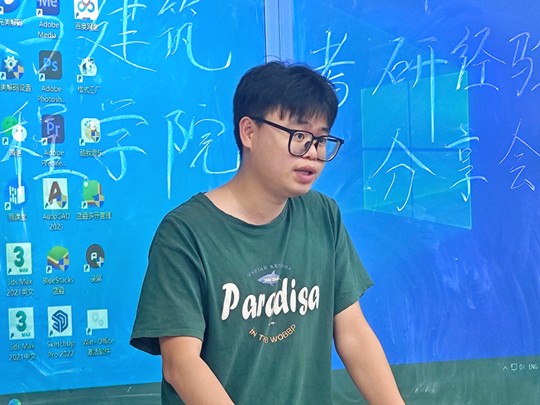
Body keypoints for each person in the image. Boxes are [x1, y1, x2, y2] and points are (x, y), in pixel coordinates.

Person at [130, 61, 404, 404]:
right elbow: (181, 364)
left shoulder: (323, 215)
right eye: (299, 136)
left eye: (321, 139)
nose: (313, 153)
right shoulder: (185, 232)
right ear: (249, 132)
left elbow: (353, 333)